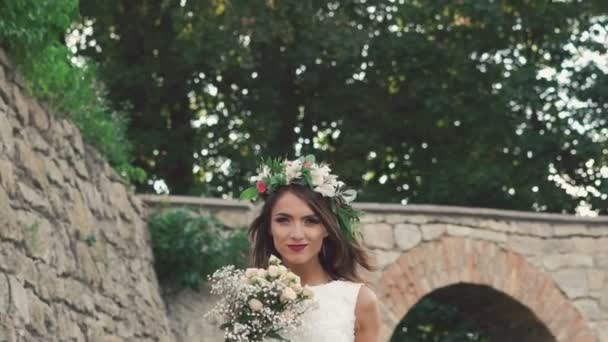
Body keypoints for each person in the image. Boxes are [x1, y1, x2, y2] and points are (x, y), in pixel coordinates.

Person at [241, 156, 381, 342]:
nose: (297, 234)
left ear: (326, 229)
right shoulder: (249, 297)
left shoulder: (359, 301)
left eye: (311, 221)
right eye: (283, 220)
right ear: (269, 227)